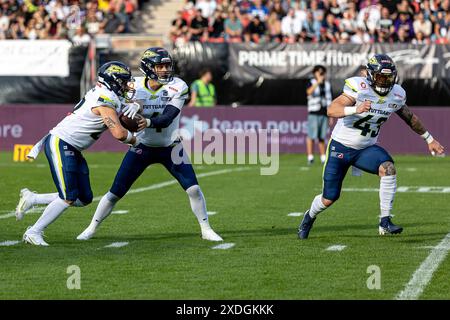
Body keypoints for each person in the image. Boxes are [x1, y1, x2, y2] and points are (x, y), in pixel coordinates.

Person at [77, 47, 223, 242]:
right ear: (148, 68)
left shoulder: (178, 86)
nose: (164, 70)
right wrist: (130, 104)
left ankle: (206, 229)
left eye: (167, 66)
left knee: (194, 189)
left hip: (170, 146)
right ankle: (91, 228)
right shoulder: (133, 85)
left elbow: (168, 117)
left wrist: (146, 119)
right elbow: (113, 106)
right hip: (142, 146)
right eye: (160, 66)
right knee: (115, 193)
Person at [298, 54, 444, 239]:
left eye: (388, 78)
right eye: (380, 77)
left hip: (366, 149)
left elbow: (410, 118)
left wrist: (429, 138)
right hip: (341, 147)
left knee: (388, 169)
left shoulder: (396, 94)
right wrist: (354, 109)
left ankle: (385, 222)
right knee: (329, 198)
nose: (384, 82)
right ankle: (309, 217)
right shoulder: (359, 88)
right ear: (370, 75)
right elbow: (331, 109)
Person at [16, 61, 143, 246]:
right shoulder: (105, 99)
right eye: (123, 81)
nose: (126, 86)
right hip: (62, 142)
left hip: (73, 148)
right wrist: (139, 141)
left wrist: (136, 106)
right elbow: (119, 134)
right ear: (113, 81)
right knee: (68, 196)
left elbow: (132, 102)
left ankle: (33, 198)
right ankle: (34, 231)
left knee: (83, 198)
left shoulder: (108, 94)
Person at [306, 65, 332, 165]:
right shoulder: (311, 82)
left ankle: (322, 157)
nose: (321, 74)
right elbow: (308, 92)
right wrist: (317, 82)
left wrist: (330, 115)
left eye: (322, 73)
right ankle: (310, 156)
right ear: (314, 73)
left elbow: (329, 99)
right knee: (311, 135)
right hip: (314, 112)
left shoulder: (327, 84)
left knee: (322, 136)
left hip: (324, 112)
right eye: (319, 72)